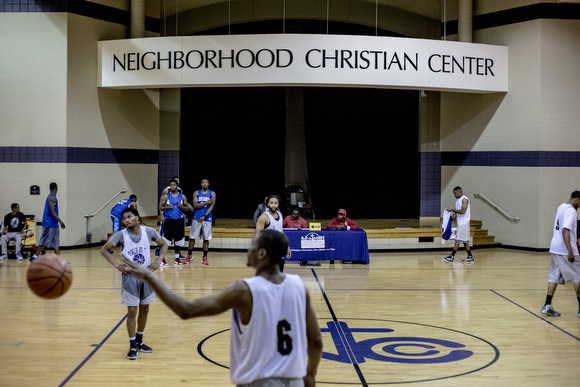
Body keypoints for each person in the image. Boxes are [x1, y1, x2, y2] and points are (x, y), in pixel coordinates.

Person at [123, 229, 323, 386]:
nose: (249, 249)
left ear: (262, 253)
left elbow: (186, 310)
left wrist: (149, 276)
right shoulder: (299, 286)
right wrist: (311, 375)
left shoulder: (244, 291)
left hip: (260, 381)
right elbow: (316, 341)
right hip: (295, 380)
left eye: (252, 245)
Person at [100, 207, 169, 360]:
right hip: (130, 276)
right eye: (124, 218)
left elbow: (164, 244)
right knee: (132, 311)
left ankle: (139, 340)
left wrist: (158, 262)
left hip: (146, 275)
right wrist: (117, 265)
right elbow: (104, 250)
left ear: (137, 217)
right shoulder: (121, 235)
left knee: (145, 309)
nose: (127, 220)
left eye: (130, 217)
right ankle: (132, 345)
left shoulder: (148, 231)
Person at [541, 191, 580, 318]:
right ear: (577, 199)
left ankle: (547, 306)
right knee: (579, 277)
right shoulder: (571, 210)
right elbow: (565, 230)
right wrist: (570, 250)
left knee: (554, 276)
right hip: (565, 250)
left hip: (555, 248)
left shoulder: (561, 207)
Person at [158, 179, 191, 268]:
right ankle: (162, 260)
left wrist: (183, 207)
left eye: (174, 185)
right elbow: (161, 207)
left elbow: (187, 208)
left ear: (177, 186)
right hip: (169, 221)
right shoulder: (166, 196)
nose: (172, 186)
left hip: (179, 221)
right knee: (166, 241)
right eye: (171, 185)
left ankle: (177, 259)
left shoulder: (182, 196)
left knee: (178, 241)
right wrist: (167, 207)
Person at [29, 182, 65, 262]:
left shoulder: (53, 197)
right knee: (44, 242)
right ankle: (34, 257)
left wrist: (58, 222)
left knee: (56, 243)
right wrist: (60, 221)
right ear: (56, 188)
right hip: (49, 224)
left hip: (54, 224)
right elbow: (52, 211)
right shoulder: (51, 198)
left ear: (49, 188)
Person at [185, 179, 216, 266]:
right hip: (196, 218)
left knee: (206, 238)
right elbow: (195, 205)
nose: (205, 183)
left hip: (207, 218)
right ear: (201, 184)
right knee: (192, 237)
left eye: (206, 182)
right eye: (203, 182)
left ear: (208, 184)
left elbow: (211, 207)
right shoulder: (196, 193)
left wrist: (204, 216)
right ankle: (189, 255)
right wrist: (206, 202)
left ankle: (205, 257)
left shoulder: (212, 193)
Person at [256, 195, 291, 271]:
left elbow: (281, 232)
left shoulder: (280, 215)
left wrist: (287, 246)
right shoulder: (263, 217)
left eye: (275, 203)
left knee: (279, 277)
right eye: (271, 203)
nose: (273, 205)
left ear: (278, 204)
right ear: (268, 204)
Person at [443, 186, 474, 263]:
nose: (454, 195)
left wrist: (452, 209)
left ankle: (451, 256)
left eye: (455, 193)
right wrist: (449, 219)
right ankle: (470, 256)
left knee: (457, 240)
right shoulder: (458, 201)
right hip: (461, 223)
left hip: (464, 223)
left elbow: (463, 211)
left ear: (459, 192)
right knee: (465, 241)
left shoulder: (464, 199)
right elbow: (457, 213)